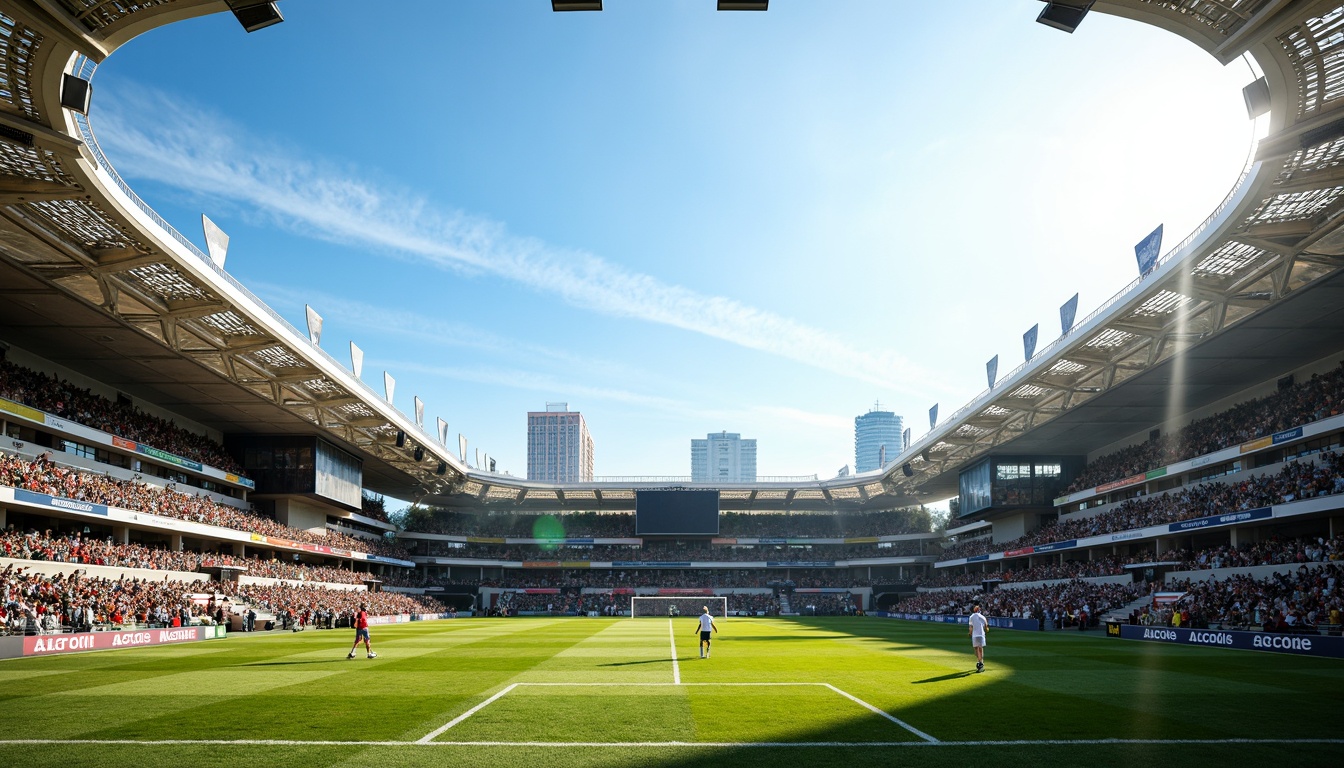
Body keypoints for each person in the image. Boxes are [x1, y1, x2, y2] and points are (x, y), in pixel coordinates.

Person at [968, 604, 988, 673]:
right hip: (981, 634)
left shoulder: (971, 617)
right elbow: (986, 626)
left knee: (976, 649)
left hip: (975, 635)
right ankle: (981, 662)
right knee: (980, 648)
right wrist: (986, 628)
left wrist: (970, 633)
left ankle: (979, 662)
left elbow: (970, 627)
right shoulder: (982, 616)